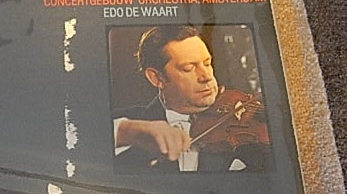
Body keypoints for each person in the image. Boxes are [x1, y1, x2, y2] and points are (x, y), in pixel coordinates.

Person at [113, 25, 268, 172]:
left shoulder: (247, 131)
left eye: (207, 63)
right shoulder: (131, 125)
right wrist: (129, 132)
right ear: (156, 78)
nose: (206, 76)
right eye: (188, 68)